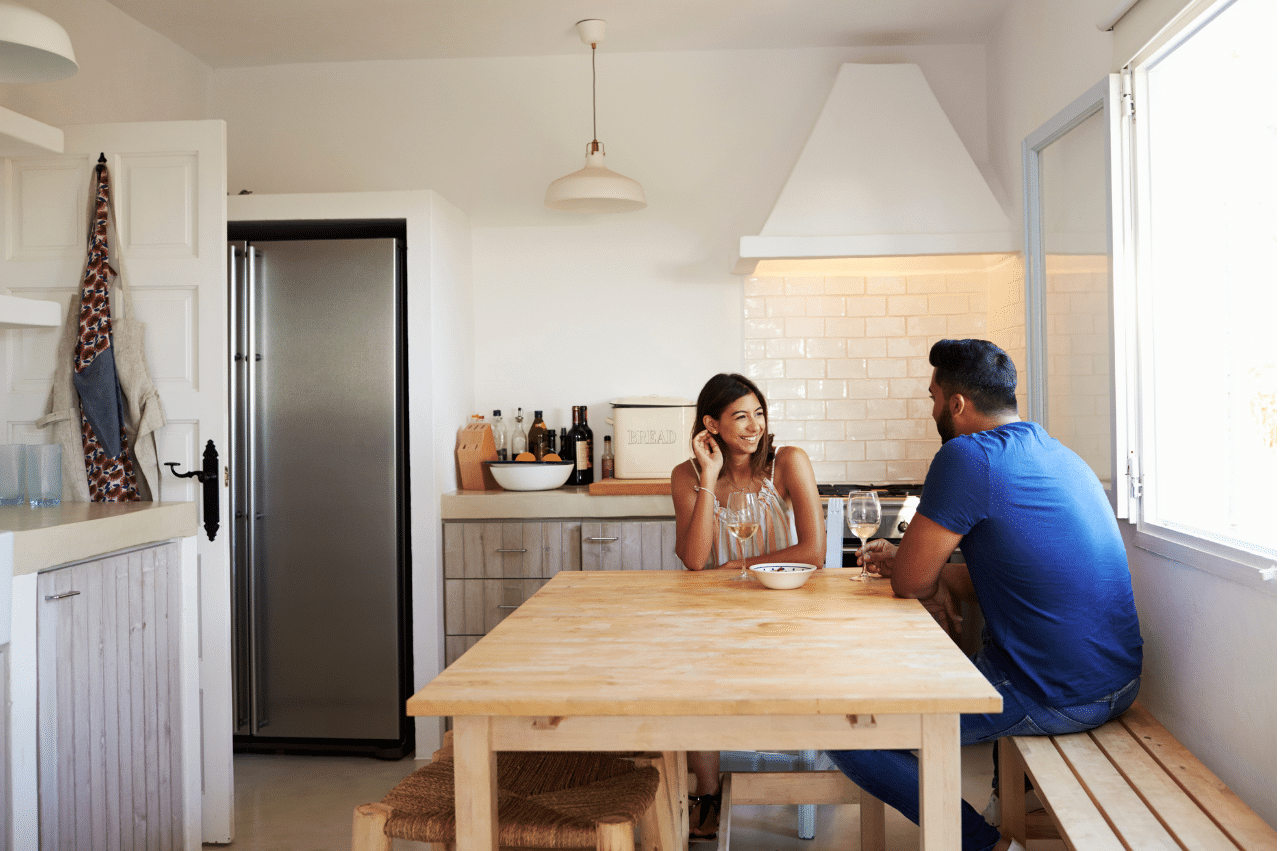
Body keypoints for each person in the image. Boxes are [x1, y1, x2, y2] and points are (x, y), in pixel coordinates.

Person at [826, 339, 1143, 851]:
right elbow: (1021, 582)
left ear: (956, 403)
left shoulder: (966, 455)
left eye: (933, 398)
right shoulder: (1056, 451)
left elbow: (909, 583)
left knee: (844, 727)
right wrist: (928, 574)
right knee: (985, 654)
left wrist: (916, 571)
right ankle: (1003, 801)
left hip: (1058, 694)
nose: (931, 410)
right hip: (1120, 680)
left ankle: (984, 845)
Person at [670, 372, 825, 840]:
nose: (754, 425)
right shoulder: (687, 476)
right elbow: (696, 561)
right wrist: (710, 477)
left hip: (787, 613)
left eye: (759, 413)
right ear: (711, 425)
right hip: (717, 616)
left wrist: (740, 564)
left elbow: (813, 552)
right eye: (740, 416)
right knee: (692, 673)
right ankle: (708, 794)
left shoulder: (788, 462)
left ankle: (800, 787)